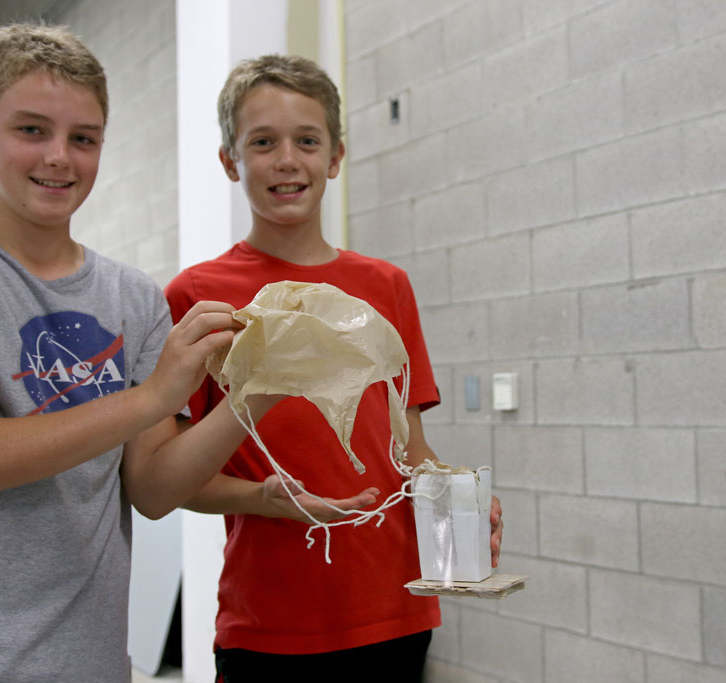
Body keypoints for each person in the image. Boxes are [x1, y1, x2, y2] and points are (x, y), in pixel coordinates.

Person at [0, 23, 277, 682]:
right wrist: (152, 396)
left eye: (83, 139)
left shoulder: (134, 297)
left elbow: (154, 489)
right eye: (31, 130)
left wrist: (256, 397)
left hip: (79, 655)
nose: (60, 156)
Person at [165, 54, 504, 682]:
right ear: (229, 160)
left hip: (394, 609)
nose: (286, 159)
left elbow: (411, 448)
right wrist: (262, 498)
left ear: (336, 158)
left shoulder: (386, 286)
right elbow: (170, 479)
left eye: (307, 141)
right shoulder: (197, 297)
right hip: (269, 623)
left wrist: (458, 495)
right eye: (262, 142)